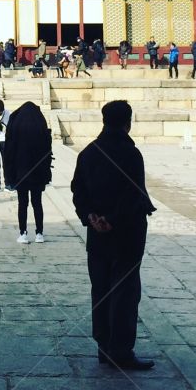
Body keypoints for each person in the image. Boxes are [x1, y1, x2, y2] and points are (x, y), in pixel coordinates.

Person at [72, 100, 156, 371]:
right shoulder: (131, 154)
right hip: (127, 233)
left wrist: (91, 216)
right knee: (125, 290)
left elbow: (78, 190)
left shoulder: (88, 153)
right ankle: (120, 349)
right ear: (127, 122)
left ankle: (103, 346)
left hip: (97, 235)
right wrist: (112, 219)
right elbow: (134, 194)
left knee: (101, 288)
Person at [4, 101, 53, 244]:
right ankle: (39, 233)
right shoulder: (40, 124)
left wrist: (9, 176)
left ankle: (23, 233)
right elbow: (47, 151)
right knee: (37, 203)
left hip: (20, 172)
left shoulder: (15, 125)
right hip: (37, 172)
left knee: (22, 203)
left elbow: (9, 152)